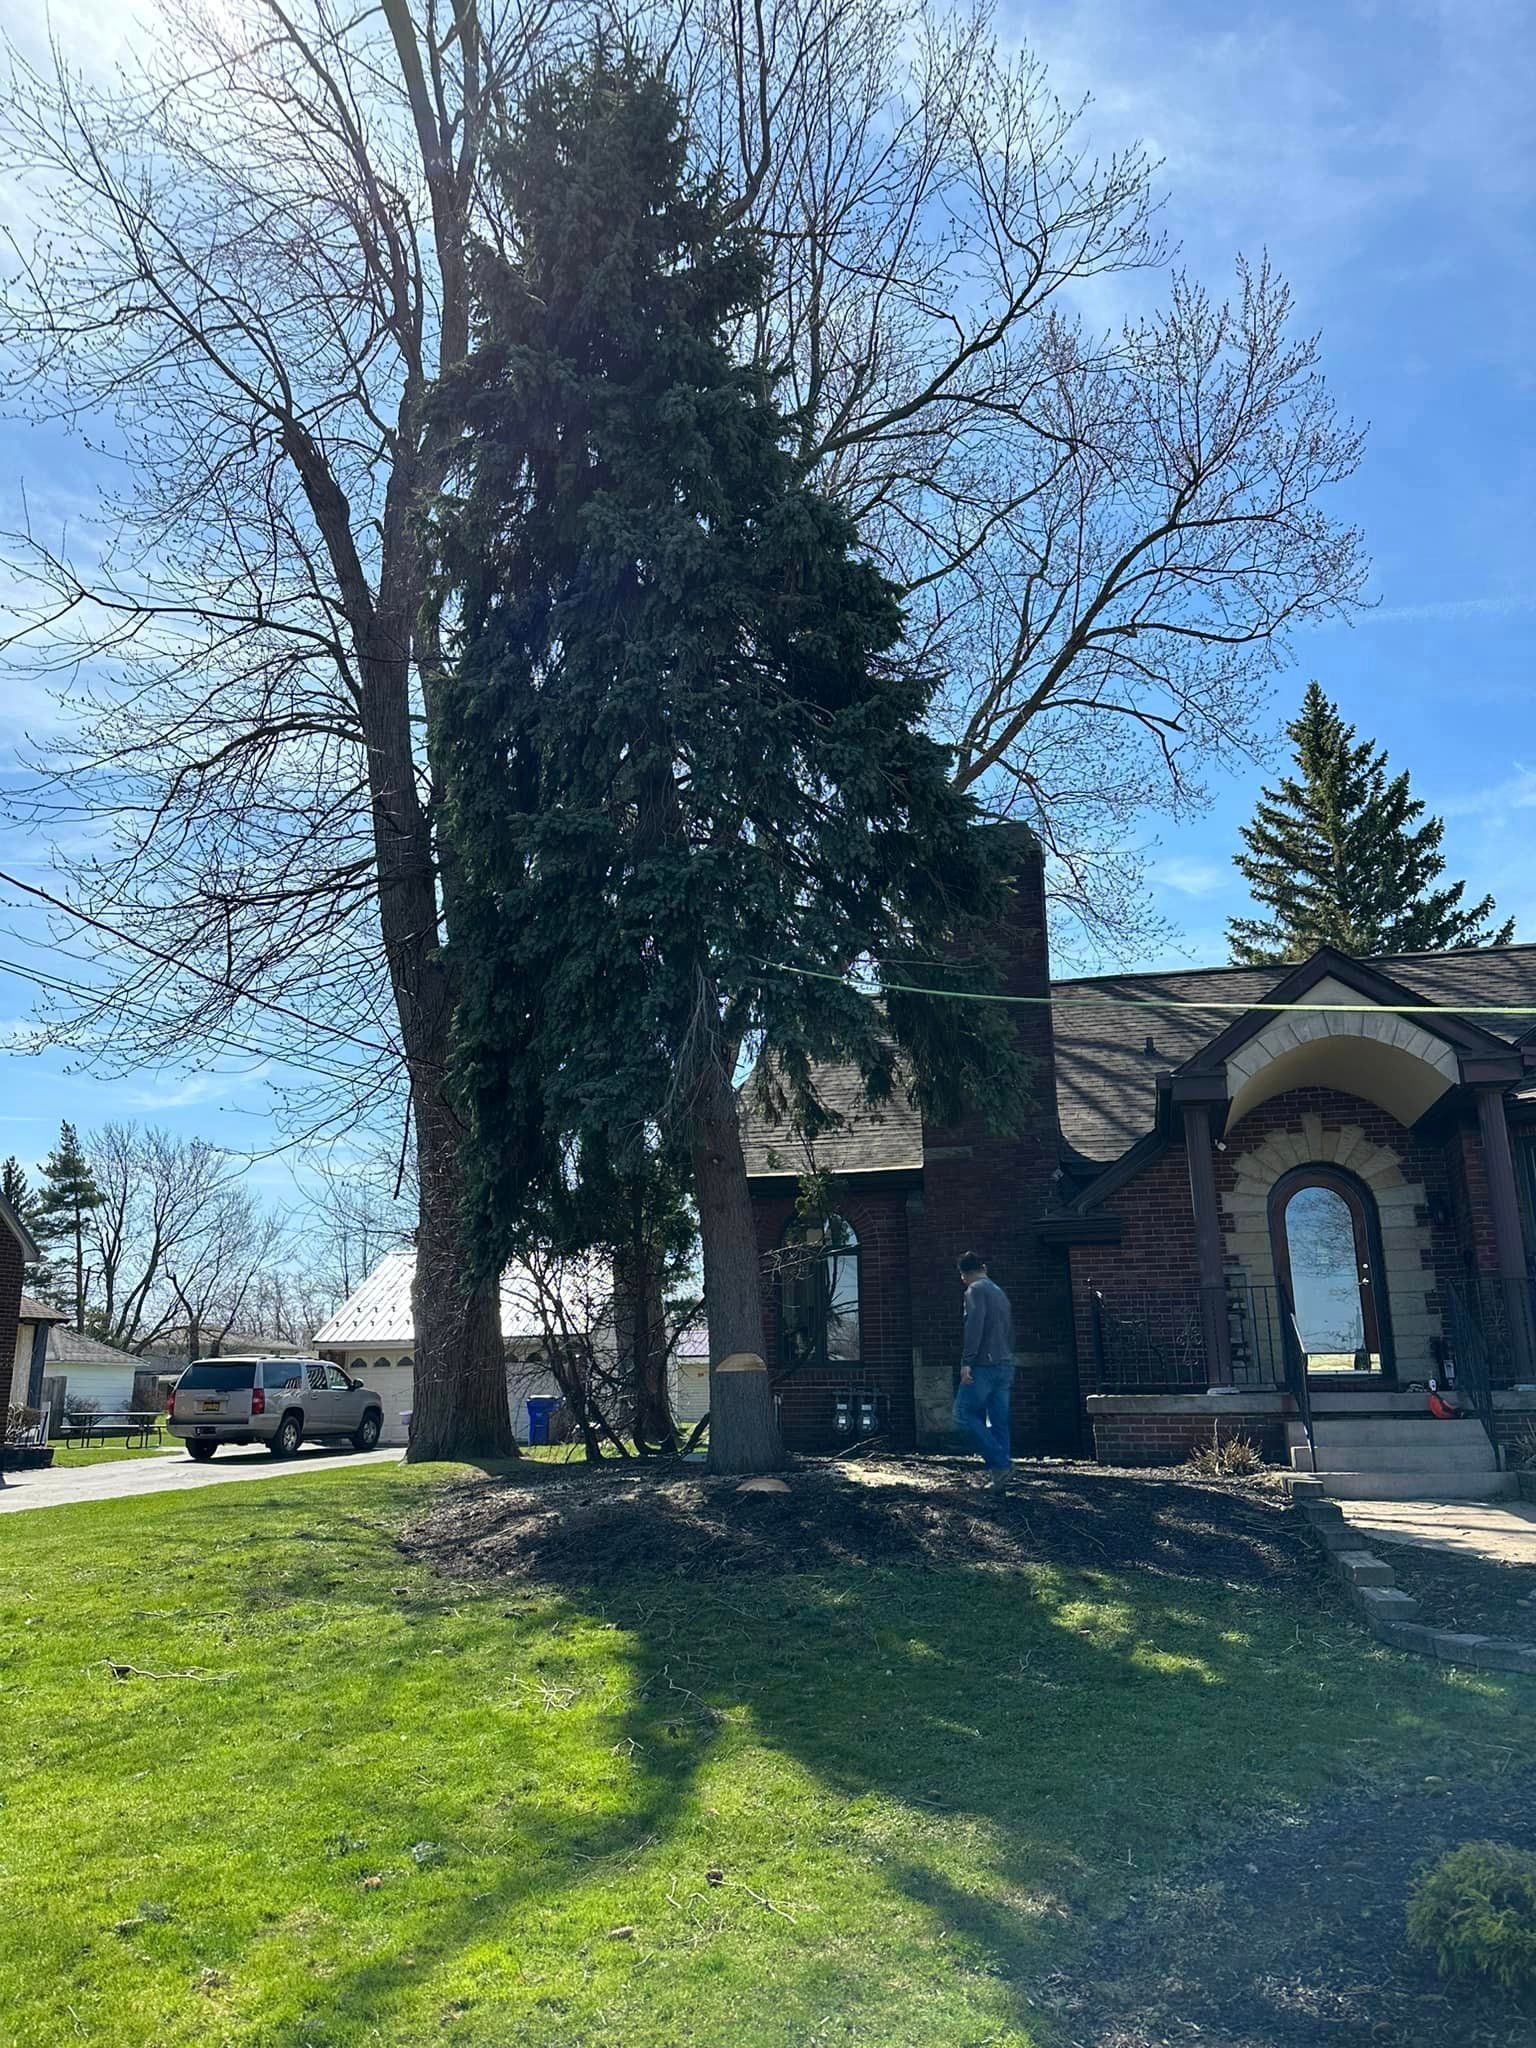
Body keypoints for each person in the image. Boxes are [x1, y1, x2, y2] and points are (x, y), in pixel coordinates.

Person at [953, 1252, 1016, 1488]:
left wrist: (967, 1362)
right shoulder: (999, 1292)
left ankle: (1000, 1464)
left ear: (964, 1275)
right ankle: (1000, 1478)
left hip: (984, 1365)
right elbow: (1008, 1329)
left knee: (963, 1414)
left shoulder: (974, 1291)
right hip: (1005, 1362)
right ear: (985, 1266)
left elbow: (974, 1327)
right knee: (998, 1420)